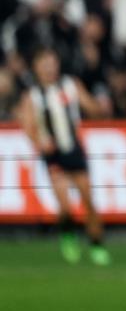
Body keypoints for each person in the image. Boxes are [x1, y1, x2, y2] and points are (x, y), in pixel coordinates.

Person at [16, 47, 112, 265]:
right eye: (44, 64)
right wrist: (40, 142)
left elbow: (91, 108)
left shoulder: (71, 86)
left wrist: (101, 108)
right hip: (53, 155)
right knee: (65, 206)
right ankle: (68, 234)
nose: (49, 68)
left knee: (88, 201)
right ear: (36, 68)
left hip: (74, 150)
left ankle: (97, 244)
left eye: (52, 63)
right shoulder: (32, 96)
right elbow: (27, 125)